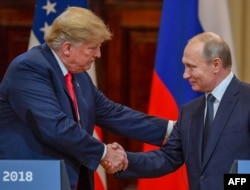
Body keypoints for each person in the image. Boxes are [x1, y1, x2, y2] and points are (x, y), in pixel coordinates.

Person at [0, 7, 174, 190]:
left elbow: (112, 113)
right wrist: (104, 153)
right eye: (92, 48)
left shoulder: (78, 75)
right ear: (67, 48)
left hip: (67, 179)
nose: (98, 54)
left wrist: (172, 130)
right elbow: (55, 126)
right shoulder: (29, 68)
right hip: (31, 179)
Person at [114, 32, 250, 190]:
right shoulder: (190, 111)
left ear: (216, 64)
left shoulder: (247, 100)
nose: (185, 75)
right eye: (185, 66)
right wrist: (123, 160)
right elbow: (168, 157)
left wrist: (229, 184)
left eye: (191, 67)